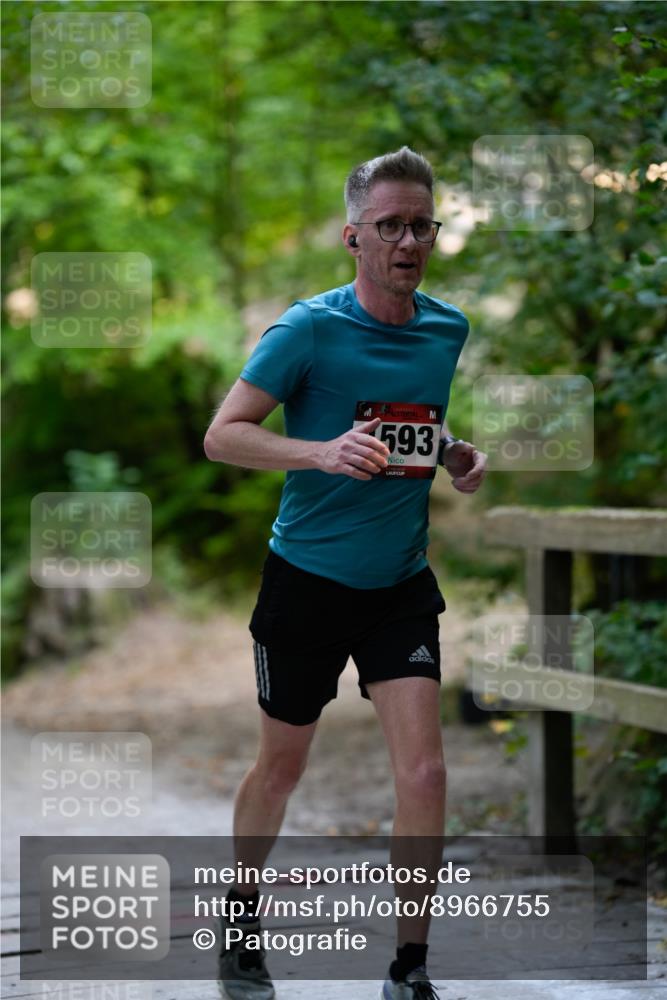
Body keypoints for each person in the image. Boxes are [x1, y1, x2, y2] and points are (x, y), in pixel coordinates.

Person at [203, 146, 486, 1000]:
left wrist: (450, 452)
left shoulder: (447, 329)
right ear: (352, 236)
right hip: (307, 582)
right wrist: (319, 451)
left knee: (426, 773)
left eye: (420, 224)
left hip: (399, 585)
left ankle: (409, 967)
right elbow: (225, 435)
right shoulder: (308, 329)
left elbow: (413, 426)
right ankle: (242, 917)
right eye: (389, 225)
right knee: (281, 767)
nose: (408, 239)